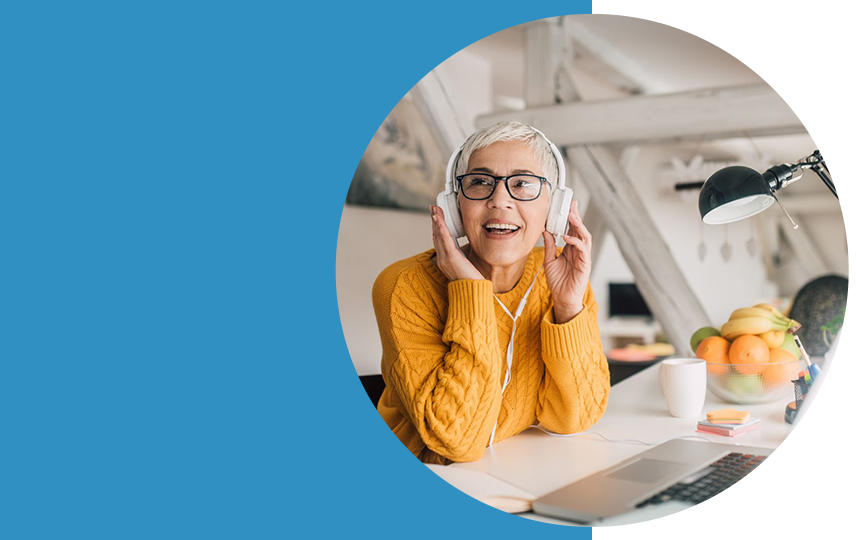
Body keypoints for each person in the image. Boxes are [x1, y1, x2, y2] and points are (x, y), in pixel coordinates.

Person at [372, 121, 610, 464]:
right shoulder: (404, 286)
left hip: (515, 472)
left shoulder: (560, 281)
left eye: (523, 184)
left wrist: (568, 308)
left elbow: (575, 418)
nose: (500, 201)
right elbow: (456, 441)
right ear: (455, 207)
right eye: (481, 182)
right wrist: (470, 292)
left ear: (554, 208)